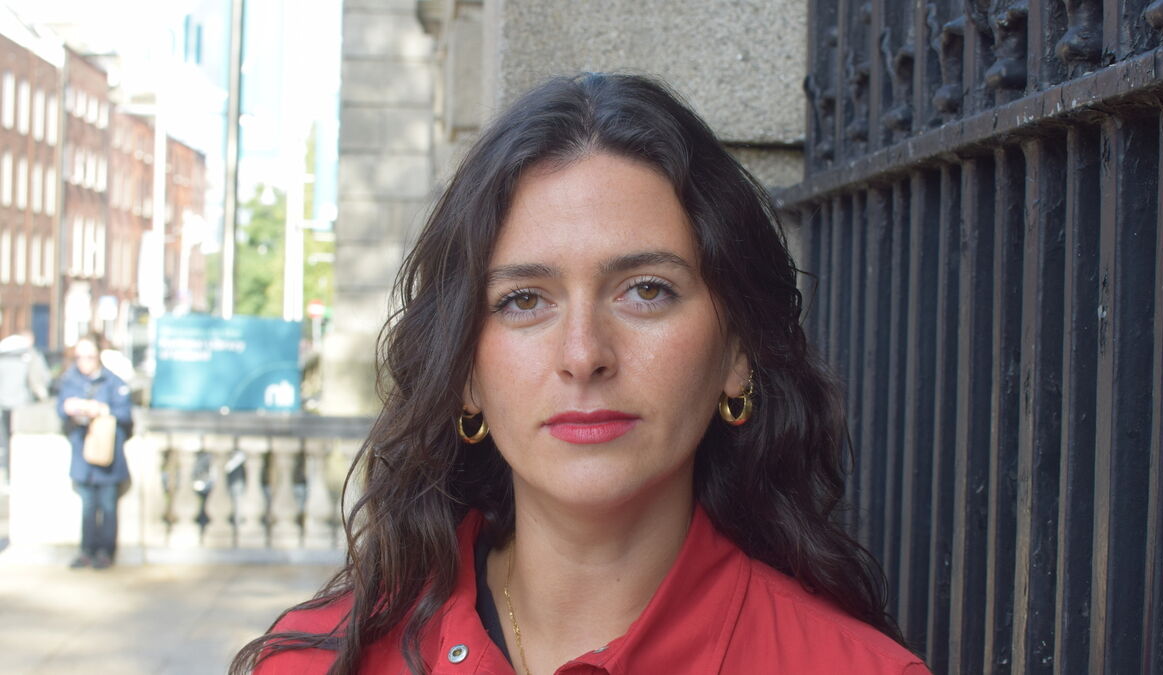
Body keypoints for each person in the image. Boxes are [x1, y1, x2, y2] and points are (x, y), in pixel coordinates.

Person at [235, 74, 930, 674]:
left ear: (736, 354)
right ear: (465, 374)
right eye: (524, 300)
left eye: (646, 290)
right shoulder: (314, 664)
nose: (583, 353)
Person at [56, 336, 133, 570]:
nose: (84, 362)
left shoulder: (113, 381)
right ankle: (87, 550)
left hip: (107, 454)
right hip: (83, 452)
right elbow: (60, 407)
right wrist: (70, 407)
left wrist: (101, 409)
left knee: (108, 505)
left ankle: (105, 551)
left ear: (98, 356)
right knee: (88, 505)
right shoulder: (70, 380)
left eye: (89, 356)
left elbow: (125, 414)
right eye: (79, 357)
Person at [0, 330, 50, 483]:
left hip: (3, 404)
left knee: (5, 442)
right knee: (18, 445)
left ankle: (5, 474)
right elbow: (40, 379)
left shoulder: (3, 352)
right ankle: (13, 477)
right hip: (23, 405)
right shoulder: (30, 355)